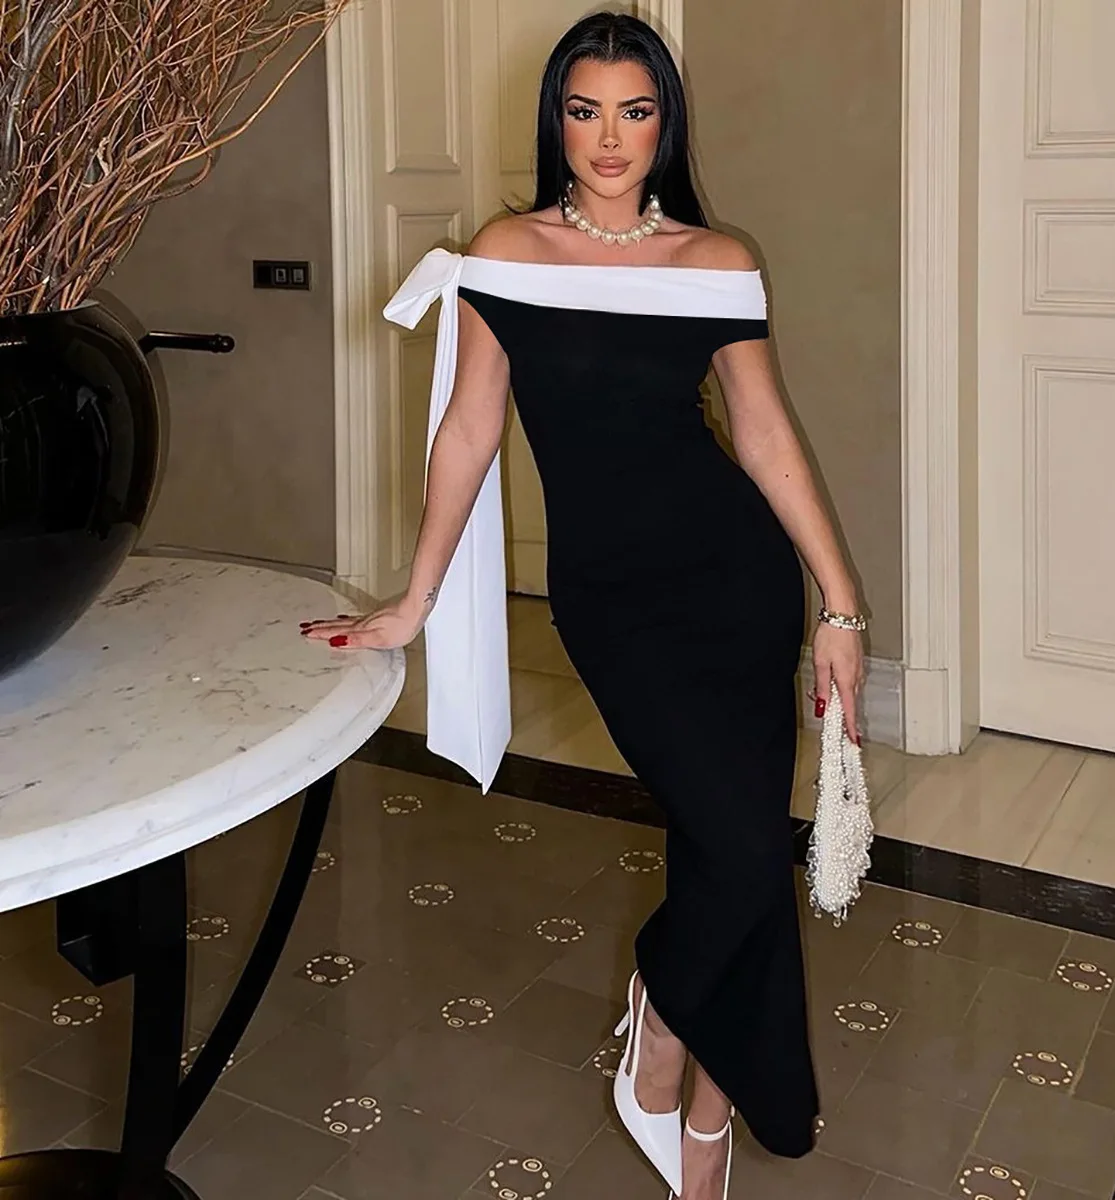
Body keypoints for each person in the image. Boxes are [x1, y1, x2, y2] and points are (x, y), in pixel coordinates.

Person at [303, 11, 865, 1199]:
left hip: (738, 584)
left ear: (667, 125)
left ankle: (704, 1120)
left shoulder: (717, 260)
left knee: (734, 841)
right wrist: (414, 599)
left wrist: (841, 606)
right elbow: (468, 431)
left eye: (636, 111)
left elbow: (764, 437)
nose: (610, 138)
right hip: (614, 603)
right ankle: (662, 1009)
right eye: (585, 110)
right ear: (556, 121)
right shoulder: (505, 255)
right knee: (742, 849)